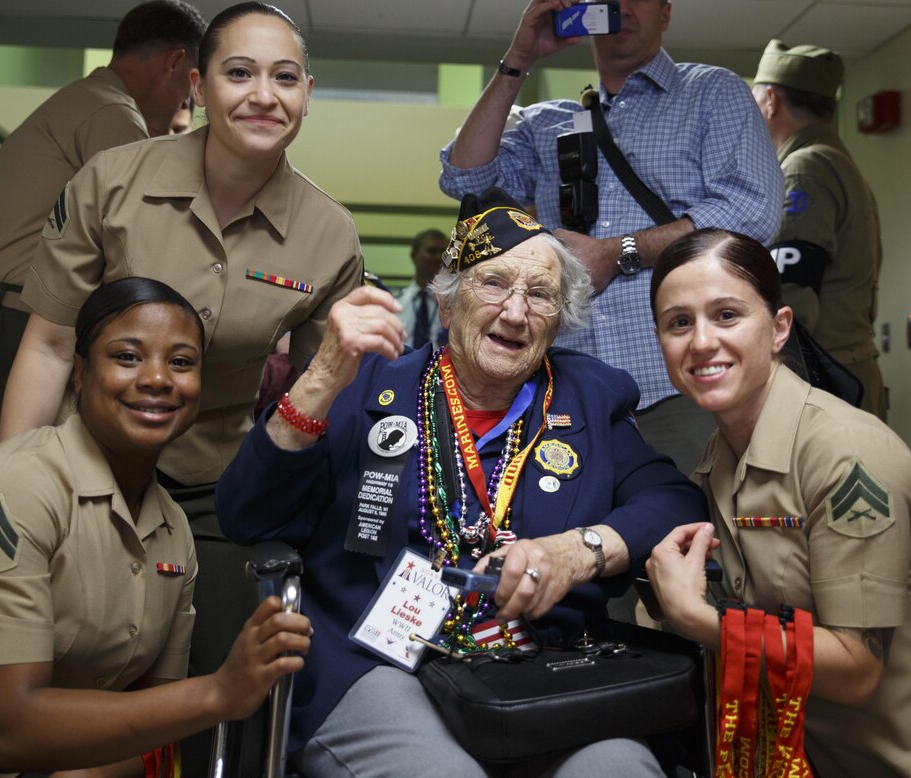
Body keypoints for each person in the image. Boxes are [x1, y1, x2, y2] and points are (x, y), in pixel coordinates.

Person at [216, 188, 707, 777]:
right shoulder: (366, 386)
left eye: (541, 295)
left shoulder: (587, 399)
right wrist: (320, 375)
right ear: (447, 305)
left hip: (540, 668)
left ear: (559, 322)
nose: (516, 312)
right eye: (494, 284)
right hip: (376, 661)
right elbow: (248, 515)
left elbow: (673, 501)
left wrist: (580, 551)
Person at [0, 7, 363, 768]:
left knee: (215, 687)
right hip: (85, 465)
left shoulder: (328, 233)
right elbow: (51, 344)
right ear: (196, 85)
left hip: (218, 484)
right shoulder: (113, 182)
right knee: (72, 670)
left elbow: (318, 390)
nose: (264, 95)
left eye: (285, 77)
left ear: (307, 93)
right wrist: (15, 491)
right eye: (239, 73)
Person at [0, 277, 311, 777]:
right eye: (127, 357)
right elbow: (8, 732)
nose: (159, 379)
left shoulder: (172, 529)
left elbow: (155, 726)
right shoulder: (11, 490)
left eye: (181, 362)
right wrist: (217, 693)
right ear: (79, 373)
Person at [644, 228, 911, 777]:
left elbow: (857, 672)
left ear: (779, 328)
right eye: (679, 323)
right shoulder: (721, 456)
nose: (702, 341)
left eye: (728, 315)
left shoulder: (845, 454)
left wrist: (702, 619)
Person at [439, 0, 783, 475]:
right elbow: (465, 181)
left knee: (698, 534)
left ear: (665, 13)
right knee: (581, 539)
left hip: (686, 387)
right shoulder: (548, 123)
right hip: (571, 391)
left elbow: (752, 213)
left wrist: (616, 252)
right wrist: (518, 58)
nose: (621, 6)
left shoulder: (711, 92)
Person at [0, 0, 207, 498]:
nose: (189, 104)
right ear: (175, 64)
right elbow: (142, 246)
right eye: (193, 87)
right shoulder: (113, 116)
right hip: (20, 332)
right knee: (14, 516)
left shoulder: (73, 101)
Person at [753, 40, 887, 420]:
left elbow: (795, 294)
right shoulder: (841, 164)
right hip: (847, 371)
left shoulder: (804, 168)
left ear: (771, 101)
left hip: (822, 380)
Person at [396, 227, 446, 349]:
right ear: (414, 256)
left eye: (444, 253)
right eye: (431, 251)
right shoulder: (396, 303)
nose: (439, 257)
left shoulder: (455, 305)